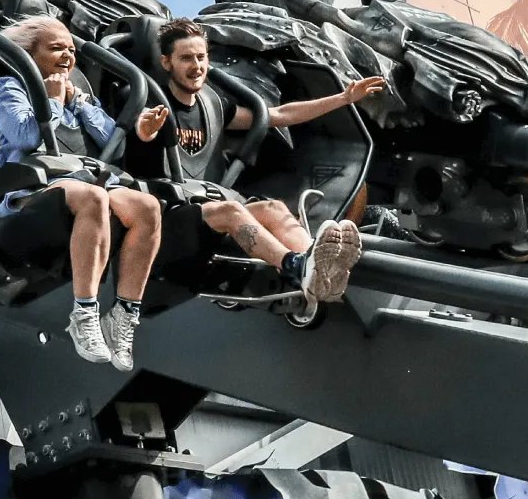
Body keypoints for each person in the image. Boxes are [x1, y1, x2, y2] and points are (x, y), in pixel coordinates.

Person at [127, 17, 385, 304]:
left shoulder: (214, 106)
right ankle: (296, 267)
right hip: (165, 220)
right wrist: (146, 131)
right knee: (232, 211)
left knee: (273, 207)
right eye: (185, 58)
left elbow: (281, 115)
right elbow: (140, 137)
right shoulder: (149, 105)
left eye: (201, 57)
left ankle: (317, 267)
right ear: (166, 63)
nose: (196, 66)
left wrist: (343, 98)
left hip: (204, 208)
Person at [0, 15, 166, 370]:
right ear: (29, 53)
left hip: (84, 179)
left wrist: (82, 105)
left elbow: (112, 147)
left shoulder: (77, 96)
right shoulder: (11, 86)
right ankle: (84, 313)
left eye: (71, 50)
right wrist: (52, 100)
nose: (67, 57)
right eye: (56, 48)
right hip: (32, 187)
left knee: (147, 207)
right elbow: (26, 137)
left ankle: (123, 315)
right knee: (94, 197)